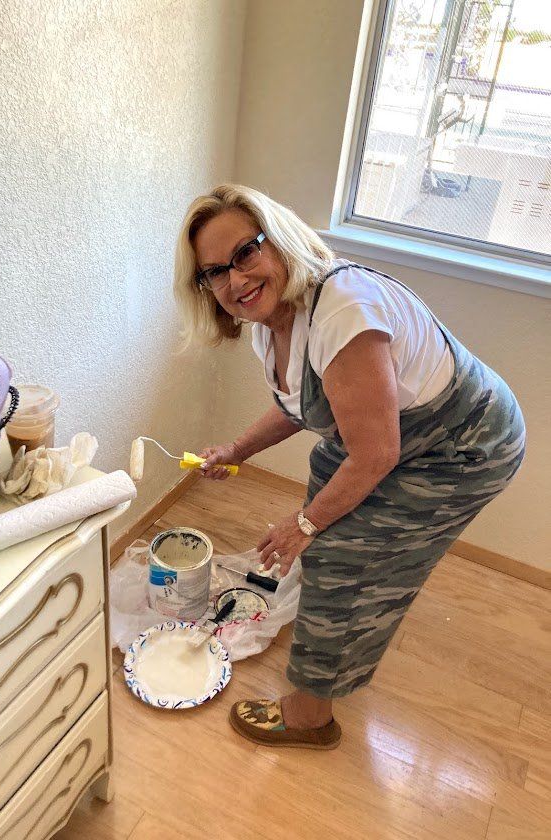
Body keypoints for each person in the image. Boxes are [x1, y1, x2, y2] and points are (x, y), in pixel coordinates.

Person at [173, 184, 526, 750]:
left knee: (345, 554)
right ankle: (329, 631)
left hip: (463, 449)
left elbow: (376, 455)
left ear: (280, 240)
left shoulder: (342, 309)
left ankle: (311, 715)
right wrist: (236, 451)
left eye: (246, 252)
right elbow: (303, 406)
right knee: (326, 486)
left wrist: (304, 526)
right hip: (397, 434)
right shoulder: (279, 318)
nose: (235, 281)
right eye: (215, 272)